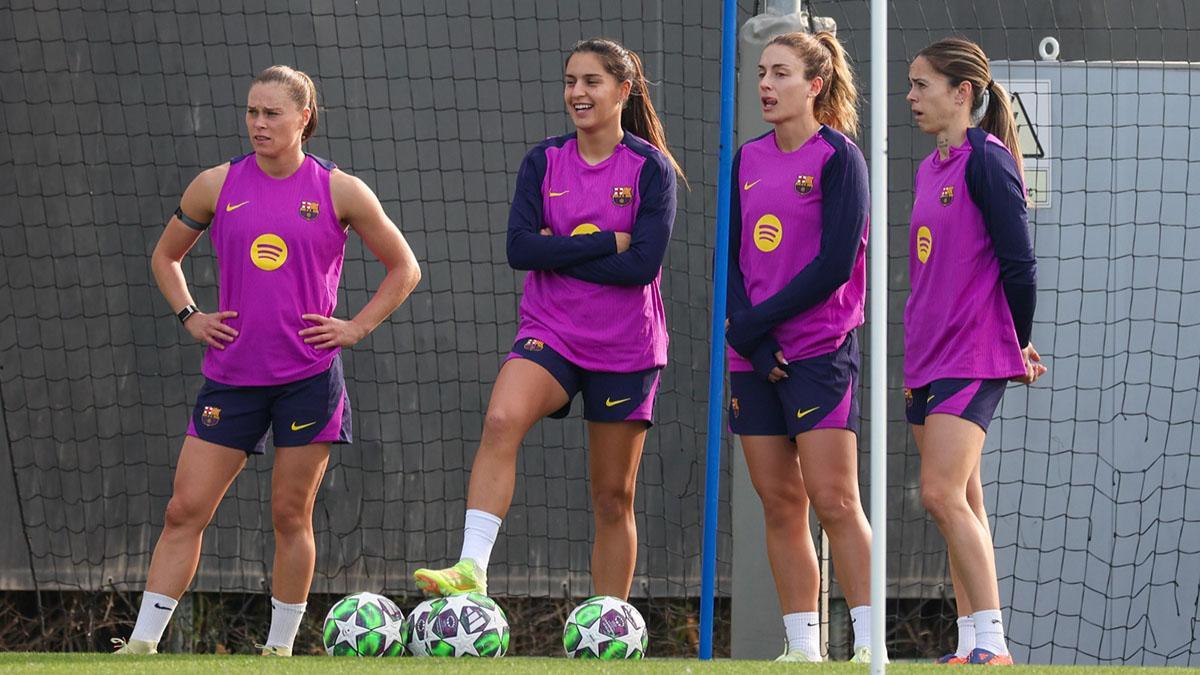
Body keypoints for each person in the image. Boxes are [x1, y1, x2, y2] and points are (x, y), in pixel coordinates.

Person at [113, 65, 421, 656]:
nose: (258, 124)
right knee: (184, 509)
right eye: (252, 112)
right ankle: (142, 646)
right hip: (230, 379)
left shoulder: (340, 190)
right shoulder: (215, 184)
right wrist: (190, 316)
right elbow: (164, 258)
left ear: (303, 117)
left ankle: (279, 650)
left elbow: (404, 268)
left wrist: (356, 327)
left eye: (271, 113)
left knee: (289, 515)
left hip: (308, 380)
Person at [413, 38, 684, 602]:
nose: (577, 93)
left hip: (624, 345)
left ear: (623, 91)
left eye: (591, 82)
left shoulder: (649, 167)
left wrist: (556, 248)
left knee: (612, 498)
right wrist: (605, 240)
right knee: (500, 419)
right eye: (570, 82)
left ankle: (608, 621)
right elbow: (519, 250)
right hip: (550, 332)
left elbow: (642, 266)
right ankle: (471, 568)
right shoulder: (543, 160)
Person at [723, 31, 878, 663]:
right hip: (754, 358)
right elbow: (733, 262)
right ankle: (802, 652)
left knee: (835, 501)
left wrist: (759, 326)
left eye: (780, 73)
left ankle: (869, 649)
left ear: (814, 85)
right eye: (761, 72)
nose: (765, 84)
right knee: (781, 501)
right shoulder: (746, 159)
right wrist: (753, 342)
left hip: (818, 350)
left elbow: (835, 265)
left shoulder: (841, 158)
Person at [905, 37, 1046, 666]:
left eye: (922, 85)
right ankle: (972, 643)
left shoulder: (988, 161)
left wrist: (1015, 341)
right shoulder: (929, 165)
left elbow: (1020, 265)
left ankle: (993, 642)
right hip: (925, 352)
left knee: (939, 494)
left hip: (972, 351)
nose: (910, 97)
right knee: (962, 501)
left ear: (963, 93)